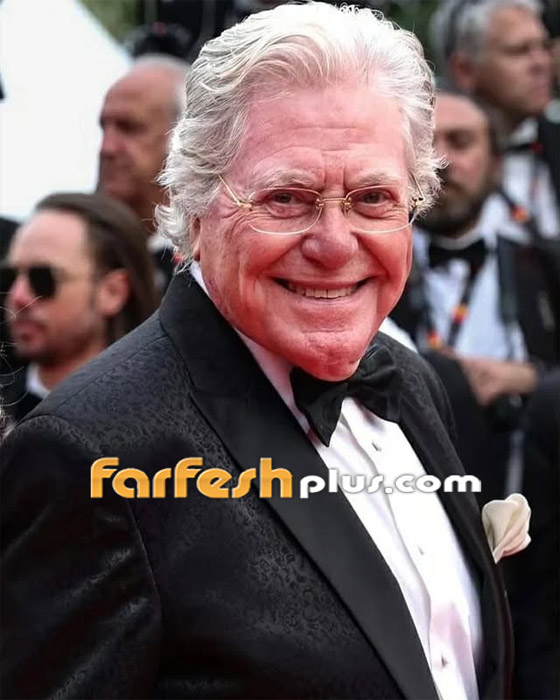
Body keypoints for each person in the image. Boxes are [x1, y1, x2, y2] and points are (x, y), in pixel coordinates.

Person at [2, 4, 512, 699]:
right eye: (286, 198)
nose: (334, 244)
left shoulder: (412, 384)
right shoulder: (91, 454)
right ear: (195, 209)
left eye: (372, 198)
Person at [0, 192, 159, 426]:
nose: (18, 297)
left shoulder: (158, 421)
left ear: (113, 291)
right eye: (8, 277)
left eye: (43, 279)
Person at [430, 0, 559, 242]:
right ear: (464, 69)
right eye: (520, 50)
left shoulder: (553, 143)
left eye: (544, 47)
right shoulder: (423, 156)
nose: (542, 63)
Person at [97, 54, 190, 291]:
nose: (106, 148)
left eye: (128, 128)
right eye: (104, 128)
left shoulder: (207, 266)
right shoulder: (79, 251)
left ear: (185, 139)